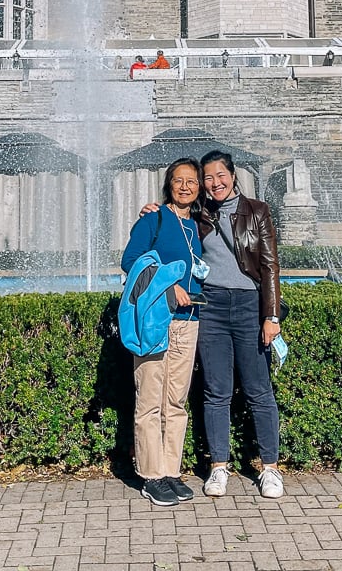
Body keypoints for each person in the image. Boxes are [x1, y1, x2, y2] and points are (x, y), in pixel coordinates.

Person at [140, 151, 285, 499]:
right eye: (208, 177)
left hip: (250, 304)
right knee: (216, 391)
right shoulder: (201, 213)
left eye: (221, 175)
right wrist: (152, 210)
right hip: (213, 306)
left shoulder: (257, 211)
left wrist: (272, 316)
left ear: (234, 176)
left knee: (259, 390)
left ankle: (270, 468)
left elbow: (270, 267)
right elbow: (173, 220)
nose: (214, 182)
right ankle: (218, 467)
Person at [120, 157, 205, 508]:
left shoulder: (199, 225)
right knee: (150, 400)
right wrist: (168, 290)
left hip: (189, 321)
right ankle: (151, 476)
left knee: (176, 401)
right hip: (156, 319)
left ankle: (171, 471)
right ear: (168, 184)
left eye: (191, 181)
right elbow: (131, 262)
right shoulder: (154, 219)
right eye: (178, 180)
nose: (185, 186)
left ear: (199, 187)